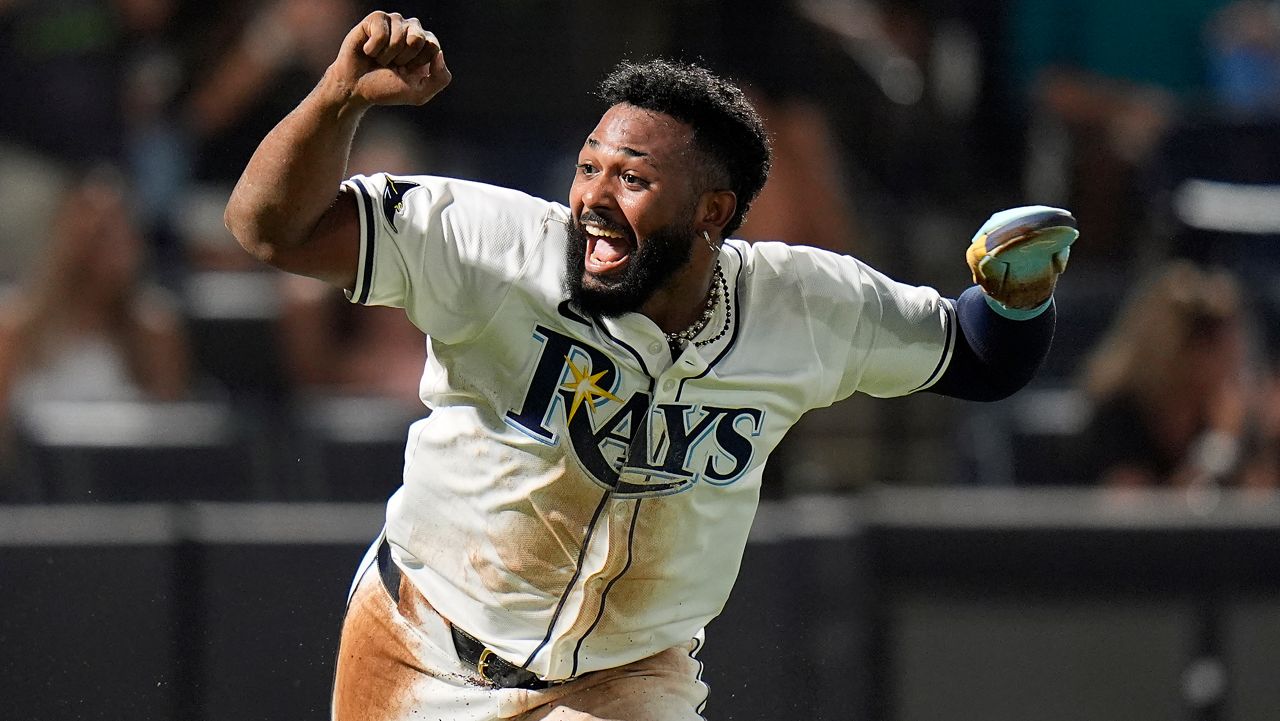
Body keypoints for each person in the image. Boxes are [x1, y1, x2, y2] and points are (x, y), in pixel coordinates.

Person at [223, 11, 1078, 720]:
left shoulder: (804, 306)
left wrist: (1022, 293)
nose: (592, 195)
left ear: (713, 211)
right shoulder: (493, 244)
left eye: (629, 177)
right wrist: (337, 100)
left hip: (620, 681)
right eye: (588, 165)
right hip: (418, 643)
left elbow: (979, 355)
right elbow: (270, 228)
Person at [1078, 261, 1276, 488]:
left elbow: (1258, 502)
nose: (1231, 356)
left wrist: (1226, 442)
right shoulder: (1120, 414)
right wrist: (1214, 451)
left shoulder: (1240, 415)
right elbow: (1132, 512)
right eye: (1212, 342)